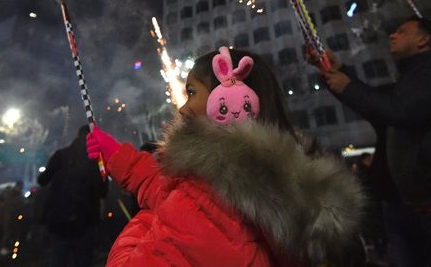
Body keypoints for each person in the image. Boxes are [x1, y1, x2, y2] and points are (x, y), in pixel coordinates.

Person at [86, 46, 366, 266]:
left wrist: (147, 220)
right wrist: (117, 157)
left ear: (229, 100)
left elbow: (185, 211)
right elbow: (178, 194)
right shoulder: (262, 186)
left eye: (192, 92)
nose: (183, 110)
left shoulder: (209, 201)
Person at [312, 17, 431, 267]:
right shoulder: (415, 76)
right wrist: (339, 73)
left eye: (402, 32)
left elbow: (400, 111)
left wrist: (348, 85)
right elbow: (379, 104)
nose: (392, 35)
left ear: (423, 40)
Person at [38, 125, 110, 267]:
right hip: (86, 221)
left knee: (58, 258)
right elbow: (103, 191)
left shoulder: (60, 155)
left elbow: (42, 180)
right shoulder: (98, 161)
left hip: (59, 218)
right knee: (82, 260)